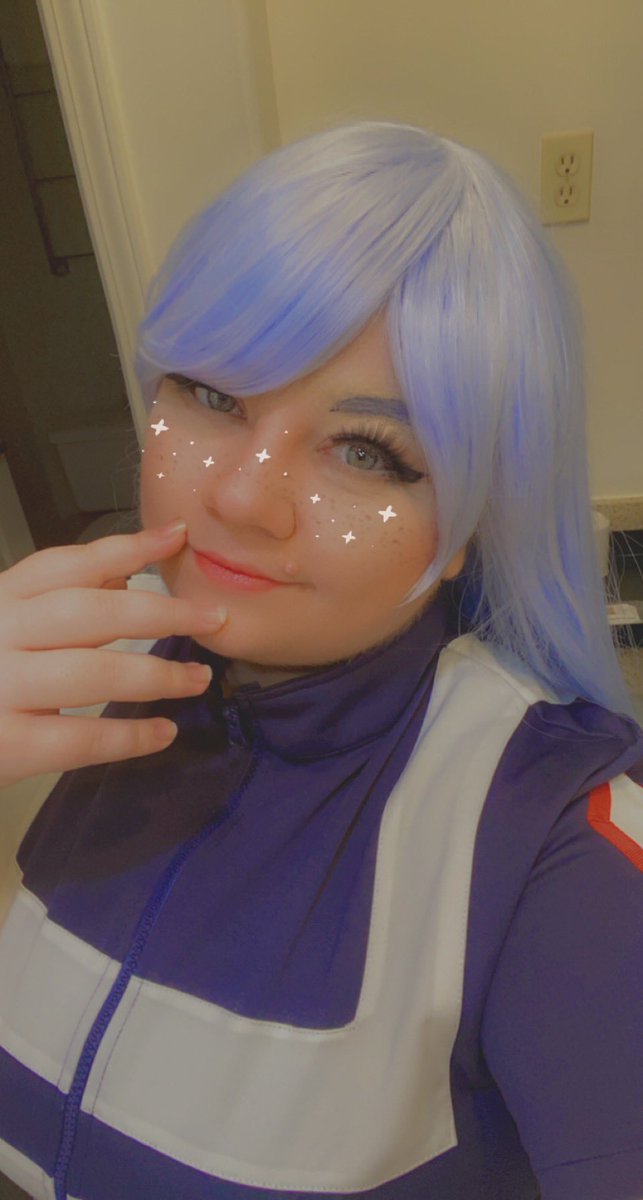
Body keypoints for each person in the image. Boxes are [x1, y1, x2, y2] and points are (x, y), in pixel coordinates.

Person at [0, 120, 641, 1200]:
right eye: (213, 396)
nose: (242, 496)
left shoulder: (546, 841)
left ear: (474, 519)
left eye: (365, 451)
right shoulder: (98, 650)